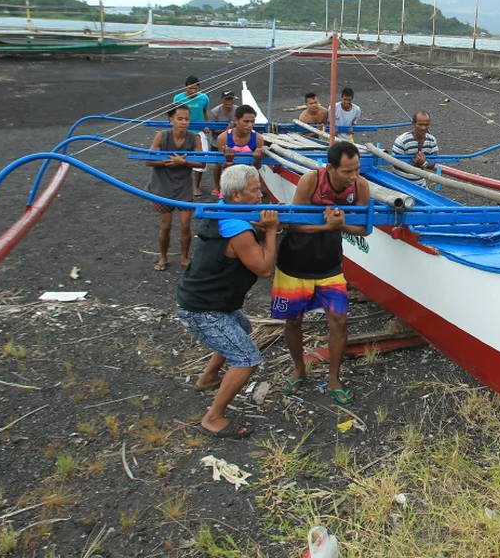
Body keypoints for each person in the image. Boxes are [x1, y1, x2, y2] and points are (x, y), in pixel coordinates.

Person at [176, 164, 279, 438]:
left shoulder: (221, 209)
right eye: (255, 190)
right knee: (247, 358)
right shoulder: (238, 231)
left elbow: (245, 223)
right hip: (203, 309)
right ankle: (213, 417)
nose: (260, 195)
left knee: (242, 328)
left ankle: (208, 378)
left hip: (206, 300)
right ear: (236, 196)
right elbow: (264, 268)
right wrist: (270, 230)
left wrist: (259, 223)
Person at [272, 140, 371, 405]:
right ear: (330, 168)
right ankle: (298, 368)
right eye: (347, 171)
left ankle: (334, 377)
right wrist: (328, 228)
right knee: (293, 320)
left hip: (330, 263)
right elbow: (293, 223)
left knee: (339, 321)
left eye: (357, 170)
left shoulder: (360, 186)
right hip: (296, 260)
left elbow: (365, 228)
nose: (353, 177)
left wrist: (342, 226)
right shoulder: (310, 181)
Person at [145, 105, 203, 271]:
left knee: (185, 225)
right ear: (171, 120)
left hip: (183, 186)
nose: (184, 122)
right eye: (180, 119)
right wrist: (168, 162)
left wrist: (184, 162)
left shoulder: (194, 138)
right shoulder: (161, 136)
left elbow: (201, 163)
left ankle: (185, 258)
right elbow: (148, 160)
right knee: (166, 225)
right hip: (163, 186)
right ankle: (163, 257)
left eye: (186, 119)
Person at [174, 75, 211, 198]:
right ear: (186, 87)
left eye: (196, 88)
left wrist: (205, 125)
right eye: (191, 88)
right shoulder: (177, 98)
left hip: (198, 131)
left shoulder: (204, 98)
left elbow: (205, 112)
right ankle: (179, 184)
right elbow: (174, 114)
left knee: (202, 157)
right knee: (178, 156)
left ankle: (196, 186)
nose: (193, 91)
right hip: (183, 131)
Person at [390, 111, 439, 187]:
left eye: (426, 125)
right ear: (413, 124)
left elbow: (433, 163)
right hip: (399, 184)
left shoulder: (431, 141)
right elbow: (395, 164)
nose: (423, 128)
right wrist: (418, 163)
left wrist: (423, 163)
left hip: (420, 184)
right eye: (420, 124)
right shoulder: (402, 140)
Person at [215, 105, 265, 171]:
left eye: (252, 121)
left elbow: (257, 168)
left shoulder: (258, 139)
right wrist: (229, 160)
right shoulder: (223, 138)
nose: (250, 125)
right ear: (236, 120)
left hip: (250, 177)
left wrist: (257, 161)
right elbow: (223, 167)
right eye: (246, 121)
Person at [207, 91, 237, 192]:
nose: (229, 101)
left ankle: (232, 186)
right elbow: (212, 129)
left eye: (230, 99)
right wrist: (226, 130)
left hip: (234, 141)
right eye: (226, 99)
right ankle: (216, 186)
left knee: (234, 163)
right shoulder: (215, 112)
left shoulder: (238, 110)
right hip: (217, 141)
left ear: (234, 99)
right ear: (222, 100)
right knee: (218, 164)